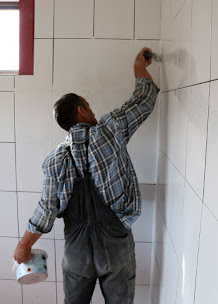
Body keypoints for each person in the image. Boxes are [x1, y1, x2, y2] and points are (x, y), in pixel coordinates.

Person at [14, 47, 160, 304]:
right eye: (89, 108)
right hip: (115, 245)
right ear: (81, 111)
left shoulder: (55, 159)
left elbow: (46, 209)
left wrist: (24, 245)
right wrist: (139, 68)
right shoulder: (110, 130)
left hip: (77, 251)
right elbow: (143, 100)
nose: (93, 112)